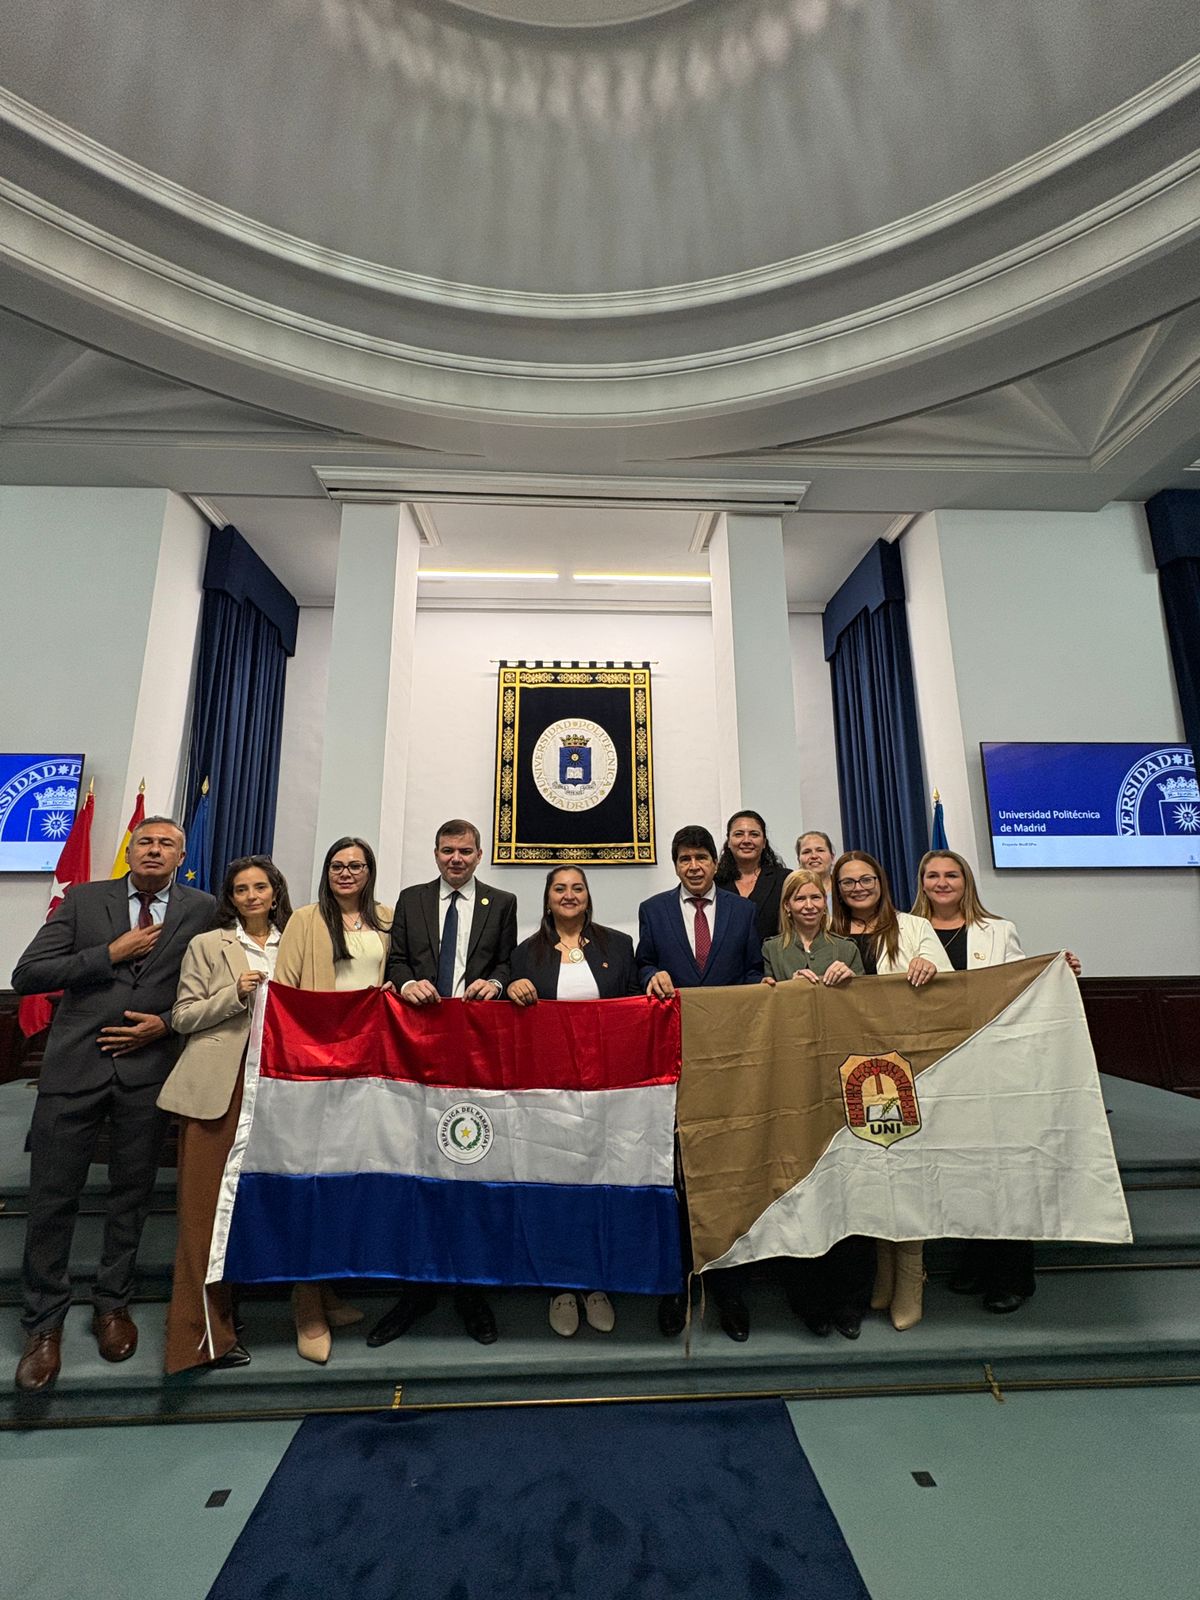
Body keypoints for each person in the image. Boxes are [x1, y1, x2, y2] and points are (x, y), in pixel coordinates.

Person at [10, 817, 216, 1393]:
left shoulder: (201, 909)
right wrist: (109, 952)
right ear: (130, 848)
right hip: (75, 1068)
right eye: (145, 842)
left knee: (131, 1193)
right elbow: (27, 973)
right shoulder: (83, 899)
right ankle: (44, 1324)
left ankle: (112, 1305)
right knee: (53, 1197)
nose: (154, 850)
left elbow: (206, 989)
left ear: (181, 855)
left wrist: (166, 1027)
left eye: (166, 844)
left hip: (148, 1075)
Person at [911, 849, 1083, 1314]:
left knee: (1004, 1168)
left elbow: (1021, 985)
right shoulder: (908, 931)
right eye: (933, 875)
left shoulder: (998, 930)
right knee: (964, 1169)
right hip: (939, 1067)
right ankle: (977, 1260)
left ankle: (1012, 1276)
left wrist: (1059, 971)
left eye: (952, 875)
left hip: (993, 1063)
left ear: (967, 882)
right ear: (921, 881)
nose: (942, 883)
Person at [368, 818, 518, 1349]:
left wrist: (495, 983)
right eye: (447, 851)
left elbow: (505, 961)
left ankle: (470, 1288)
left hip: (474, 1049)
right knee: (419, 1163)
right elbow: (399, 960)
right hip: (419, 1047)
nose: (456, 859)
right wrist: (406, 982)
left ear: (479, 856)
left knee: (471, 1157)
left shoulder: (501, 902)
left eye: (465, 852)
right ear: (435, 854)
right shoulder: (409, 899)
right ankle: (416, 1289)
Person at [159, 855, 294, 1375]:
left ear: (275, 893)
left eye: (261, 887)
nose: (253, 895)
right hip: (222, 1085)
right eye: (242, 889)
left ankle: (275, 1310)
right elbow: (183, 1015)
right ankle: (198, 1338)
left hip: (284, 1087)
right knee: (202, 1213)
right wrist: (233, 995)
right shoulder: (207, 944)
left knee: (261, 1207)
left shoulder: (298, 941)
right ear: (230, 898)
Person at [636, 824, 764, 1343]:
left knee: (726, 1175)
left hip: (731, 1062)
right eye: (684, 859)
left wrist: (760, 988)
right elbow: (643, 962)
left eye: (702, 858)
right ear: (675, 865)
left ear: (717, 863)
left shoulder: (743, 910)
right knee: (677, 1177)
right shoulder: (654, 910)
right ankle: (678, 1286)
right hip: (674, 1059)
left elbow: (754, 971)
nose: (694, 867)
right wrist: (650, 975)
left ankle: (727, 1287)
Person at [508, 865, 641, 1337]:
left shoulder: (619, 946)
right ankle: (561, 1284)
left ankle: (596, 1283)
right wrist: (512, 988)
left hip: (608, 1091)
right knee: (557, 1186)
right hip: (549, 1092)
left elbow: (635, 1013)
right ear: (546, 899)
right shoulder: (525, 954)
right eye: (559, 888)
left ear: (588, 897)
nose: (568, 895)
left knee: (601, 1184)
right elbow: (511, 1016)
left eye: (577, 888)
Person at [273, 836, 392, 1363]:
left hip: (373, 1069)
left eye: (357, 866)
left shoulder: (388, 919)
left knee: (349, 1178)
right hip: (315, 1067)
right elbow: (285, 993)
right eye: (338, 866)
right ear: (327, 871)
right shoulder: (304, 920)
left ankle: (327, 1289)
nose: (347, 873)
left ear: (369, 872)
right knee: (312, 1178)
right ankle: (306, 1302)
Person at [828, 849, 952, 1334]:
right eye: (847, 883)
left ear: (880, 881)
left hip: (904, 1067)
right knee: (869, 1170)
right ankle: (882, 1269)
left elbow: (946, 981)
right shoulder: (832, 935)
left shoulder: (914, 927)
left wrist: (926, 965)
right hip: (850, 1069)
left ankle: (910, 1276)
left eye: (866, 880)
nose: (857, 888)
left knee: (906, 1168)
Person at [761, 870, 864, 1339]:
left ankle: (848, 1301)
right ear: (786, 905)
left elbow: (871, 1010)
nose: (807, 905)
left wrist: (851, 981)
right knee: (800, 1190)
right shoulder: (771, 950)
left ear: (825, 904)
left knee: (844, 1188)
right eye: (798, 898)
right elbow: (759, 1003)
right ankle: (809, 1303)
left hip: (840, 1079)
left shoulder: (845, 948)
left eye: (815, 897)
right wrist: (777, 988)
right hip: (791, 1081)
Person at [714, 809, 791, 944]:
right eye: (739, 834)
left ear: (764, 842)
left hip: (772, 962)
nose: (746, 840)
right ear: (729, 842)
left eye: (754, 834)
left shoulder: (784, 879)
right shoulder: (715, 882)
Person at [796, 830, 836, 896]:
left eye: (820, 850)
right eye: (806, 852)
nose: (814, 856)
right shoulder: (792, 892)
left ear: (832, 857)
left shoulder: (843, 889)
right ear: (798, 860)